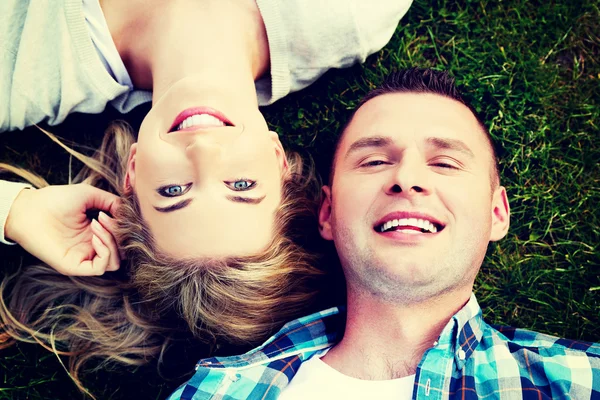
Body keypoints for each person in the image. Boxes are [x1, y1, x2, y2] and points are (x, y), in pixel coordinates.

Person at [0, 0, 414, 394]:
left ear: (132, 171)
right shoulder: (354, 15)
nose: (202, 151)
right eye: (242, 186)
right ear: (277, 158)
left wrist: (17, 211)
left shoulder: (20, 69)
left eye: (174, 191)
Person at [168, 68, 600, 400]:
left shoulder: (582, 380)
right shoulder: (217, 389)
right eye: (374, 161)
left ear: (496, 213)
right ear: (329, 212)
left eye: (445, 162)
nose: (407, 178)